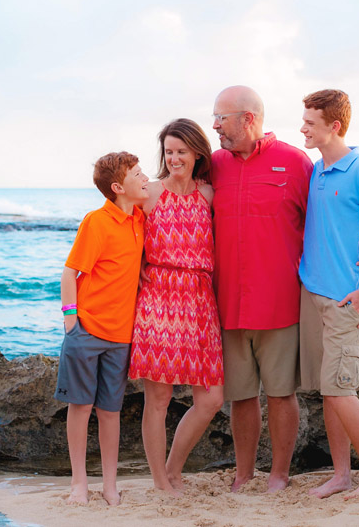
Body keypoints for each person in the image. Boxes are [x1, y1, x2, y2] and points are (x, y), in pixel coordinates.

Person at [210, 85, 313, 493]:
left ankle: (279, 475)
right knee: (240, 396)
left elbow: (324, 221)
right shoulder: (214, 165)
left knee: (281, 394)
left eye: (221, 118)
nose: (215, 126)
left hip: (279, 303)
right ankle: (244, 473)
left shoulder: (296, 162)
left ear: (247, 119)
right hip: (227, 304)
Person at [297, 89, 359, 499]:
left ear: (334, 126)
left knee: (340, 389)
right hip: (314, 293)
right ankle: (341, 475)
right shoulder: (317, 169)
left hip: (345, 299)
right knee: (329, 391)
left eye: (310, 123)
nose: (302, 128)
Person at [130, 118, 225, 495]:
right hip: (159, 299)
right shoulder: (150, 194)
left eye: (181, 151)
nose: (174, 159)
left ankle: (172, 469)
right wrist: (136, 266)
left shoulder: (209, 195)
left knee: (212, 398)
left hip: (200, 301)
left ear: (197, 153)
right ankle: (160, 481)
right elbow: (123, 234)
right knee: (158, 398)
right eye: (169, 152)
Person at [55, 152, 149, 506]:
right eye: (137, 174)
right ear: (118, 187)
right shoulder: (97, 221)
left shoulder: (139, 218)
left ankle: (110, 485)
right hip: (87, 331)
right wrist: (71, 322)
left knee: (111, 412)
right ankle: (79, 484)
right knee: (80, 407)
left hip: (122, 337)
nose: (145, 178)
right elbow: (70, 272)